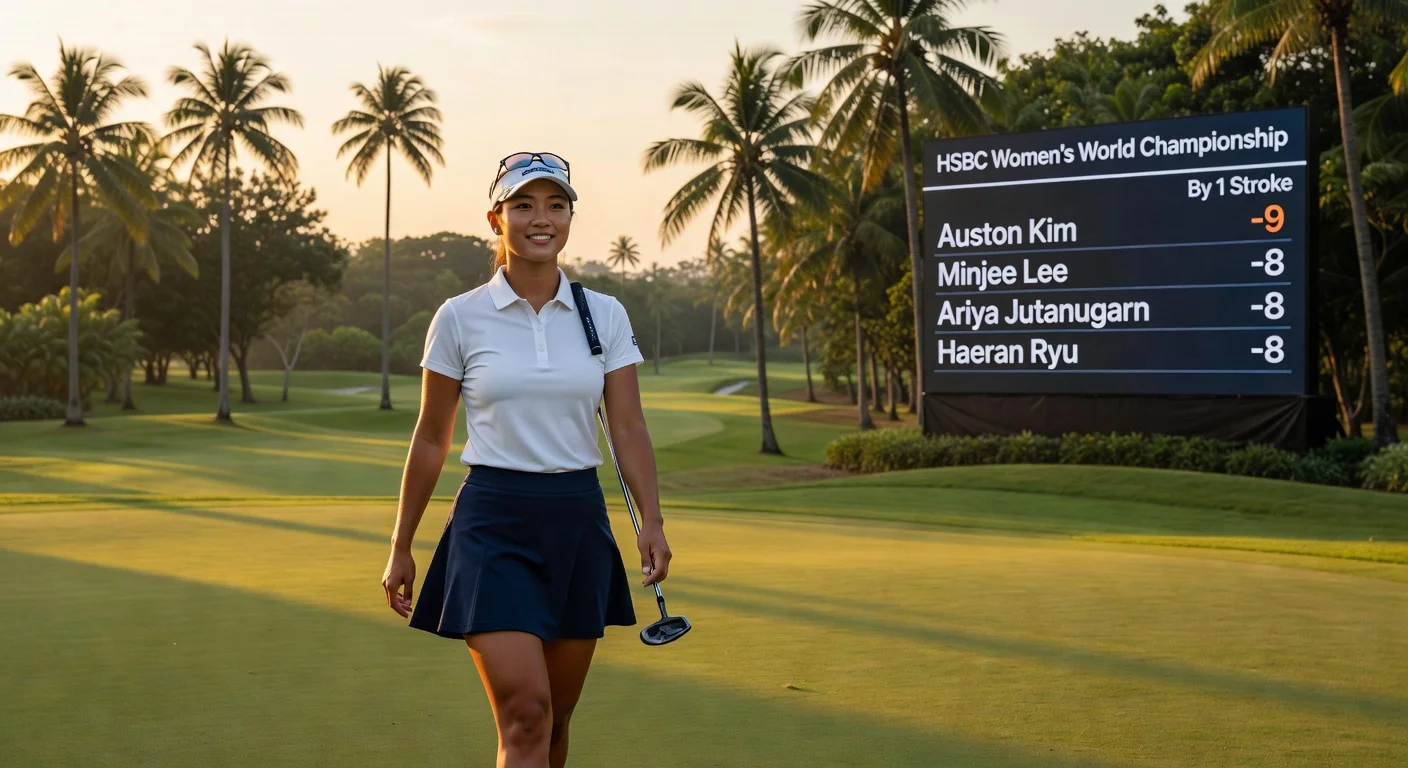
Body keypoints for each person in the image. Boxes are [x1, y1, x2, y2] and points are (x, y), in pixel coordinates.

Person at [380, 152, 673, 768]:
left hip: (577, 521)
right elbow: (432, 437)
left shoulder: (605, 315)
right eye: (523, 206)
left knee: (556, 721)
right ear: (497, 218)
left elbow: (627, 424)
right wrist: (401, 542)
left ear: (570, 217)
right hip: (493, 522)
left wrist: (651, 519)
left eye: (555, 205)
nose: (541, 219)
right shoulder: (459, 317)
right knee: (527, 713)